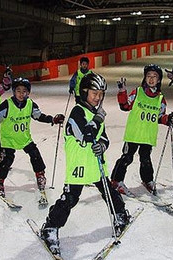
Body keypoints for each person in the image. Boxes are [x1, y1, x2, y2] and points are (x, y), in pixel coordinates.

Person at [41, 72, 130, 256]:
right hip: (79, 165)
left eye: (100, 94)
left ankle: (120, 213)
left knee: (108, 191)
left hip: (95, 163)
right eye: (94, 93)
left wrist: (103, 146)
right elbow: (87, 133)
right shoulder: (77, 112)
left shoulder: (94, 112)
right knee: (70, 198)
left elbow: (103, 137)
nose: (98, 98)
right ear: (84, 92)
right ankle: (50, 227)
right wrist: (98, 119)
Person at [0, 77, 65, 197]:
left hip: (24, 137)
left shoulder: (30, 104)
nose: (21, 94)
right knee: (8, 159)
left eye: (24, 91)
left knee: (35, 154)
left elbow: (39, 116)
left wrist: (52, 119)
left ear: (28, 92)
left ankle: (40, 175)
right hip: (9, 138)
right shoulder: (7, 105)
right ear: (13, 91)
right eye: (18, 91)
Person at [110, 64, 173, 195]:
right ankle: (116, 181)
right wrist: (122, 91)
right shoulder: (138, 92)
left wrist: (167, 119)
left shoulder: (160, 99)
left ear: (159, 80)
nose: (151, 79)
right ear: (144, 78)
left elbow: (159, 116)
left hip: (147, 135)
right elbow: (125, 106)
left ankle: (148, 180)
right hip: (134, 133)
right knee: (127, 157)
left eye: (154, 77)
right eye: (148, 76)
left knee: (145, 159)